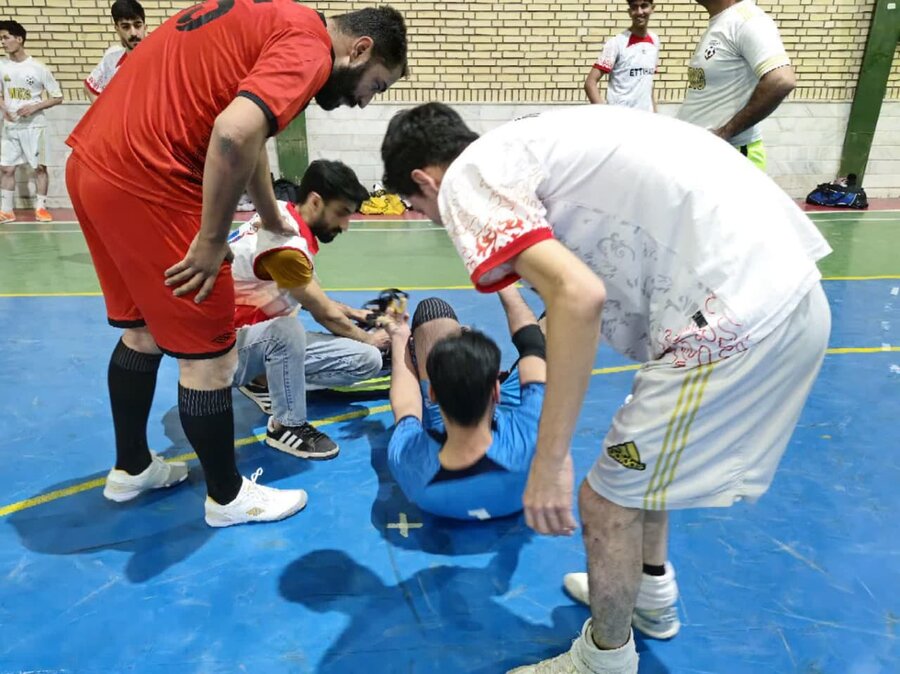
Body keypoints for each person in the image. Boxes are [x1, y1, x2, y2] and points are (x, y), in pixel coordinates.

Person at [380, 102, 831, 673]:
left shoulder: (468, 178)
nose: (431, 218)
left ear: (425, 180)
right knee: (640, 472)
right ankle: (651, 596)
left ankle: (604, 660)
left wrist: (551, 461)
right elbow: (569, 304)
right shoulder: (530, 144)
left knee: (604, 499)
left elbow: (579, 296)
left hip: (734, 318)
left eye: (419, 207)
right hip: (776, 288)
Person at [64, 0, 408, 528]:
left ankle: (131, 467)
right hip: (150, 177)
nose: (364, 102)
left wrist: (270, 216)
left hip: (93, 164)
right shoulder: (310, 49)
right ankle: (226, 498)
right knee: (211, 360)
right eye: (376, 86)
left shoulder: (275, 19)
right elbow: (233, 133)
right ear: (359, 50)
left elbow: (251, 137)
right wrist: (209, 239)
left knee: (142, 332)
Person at [229, 159, 389, 459]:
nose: (345, 225)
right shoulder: (287, 249)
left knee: (291, 324)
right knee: (367, 359)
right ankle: (285, 424)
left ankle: (260, 379)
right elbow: (324, 314)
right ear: (315, 201)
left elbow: (309, 295)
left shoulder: (280, 212)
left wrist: (358, 315)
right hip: (232, 355)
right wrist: (370, 339)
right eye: (341, 213)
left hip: (241, 335)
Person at [384, 286, 546, 521]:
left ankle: (449, 359)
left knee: (432, 309)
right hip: (513, 460)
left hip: (443, 430)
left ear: (431, 393)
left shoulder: (408, 457)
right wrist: (504, 285)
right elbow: (533, 346)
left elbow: (406, 404)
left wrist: (399, 336)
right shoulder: (531, 434)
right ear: (496, 390)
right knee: (561, 320)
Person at [677, 0, 795, 171]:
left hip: (730, 158)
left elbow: (781, 80)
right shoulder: (722, 22)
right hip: (705, 156)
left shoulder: (748, 20)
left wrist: (726, 132)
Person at [0, 20, 63, 224]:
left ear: (19, 39)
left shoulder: (38, 68)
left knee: (40, 168)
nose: (3, 42)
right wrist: (4, 109)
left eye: (6, 37)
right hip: (11, 127)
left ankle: (41, 208)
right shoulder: (1, 66)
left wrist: (34, 107)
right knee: (6, 169)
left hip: (35, 126)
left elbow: (58, 97)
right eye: (1, 39)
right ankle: (6, 211)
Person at [584, 1, 659, 112]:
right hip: (621, 118)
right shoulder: (616, 43)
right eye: (634, 7)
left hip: (646, 117)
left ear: (652, 8)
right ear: (629, 12)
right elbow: (590, 83)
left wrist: (655, 114)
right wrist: (604, 114)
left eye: (644, 6)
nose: (639, 12)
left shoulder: (655, 41)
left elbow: (647, 81)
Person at [83, 0, 147, 102]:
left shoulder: (161, 57)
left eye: (137, 25)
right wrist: (104, 111)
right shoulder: (111, 60)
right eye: (125, 27)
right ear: (117, 29)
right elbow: (89, 88)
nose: (133, 33)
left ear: (145, 27)